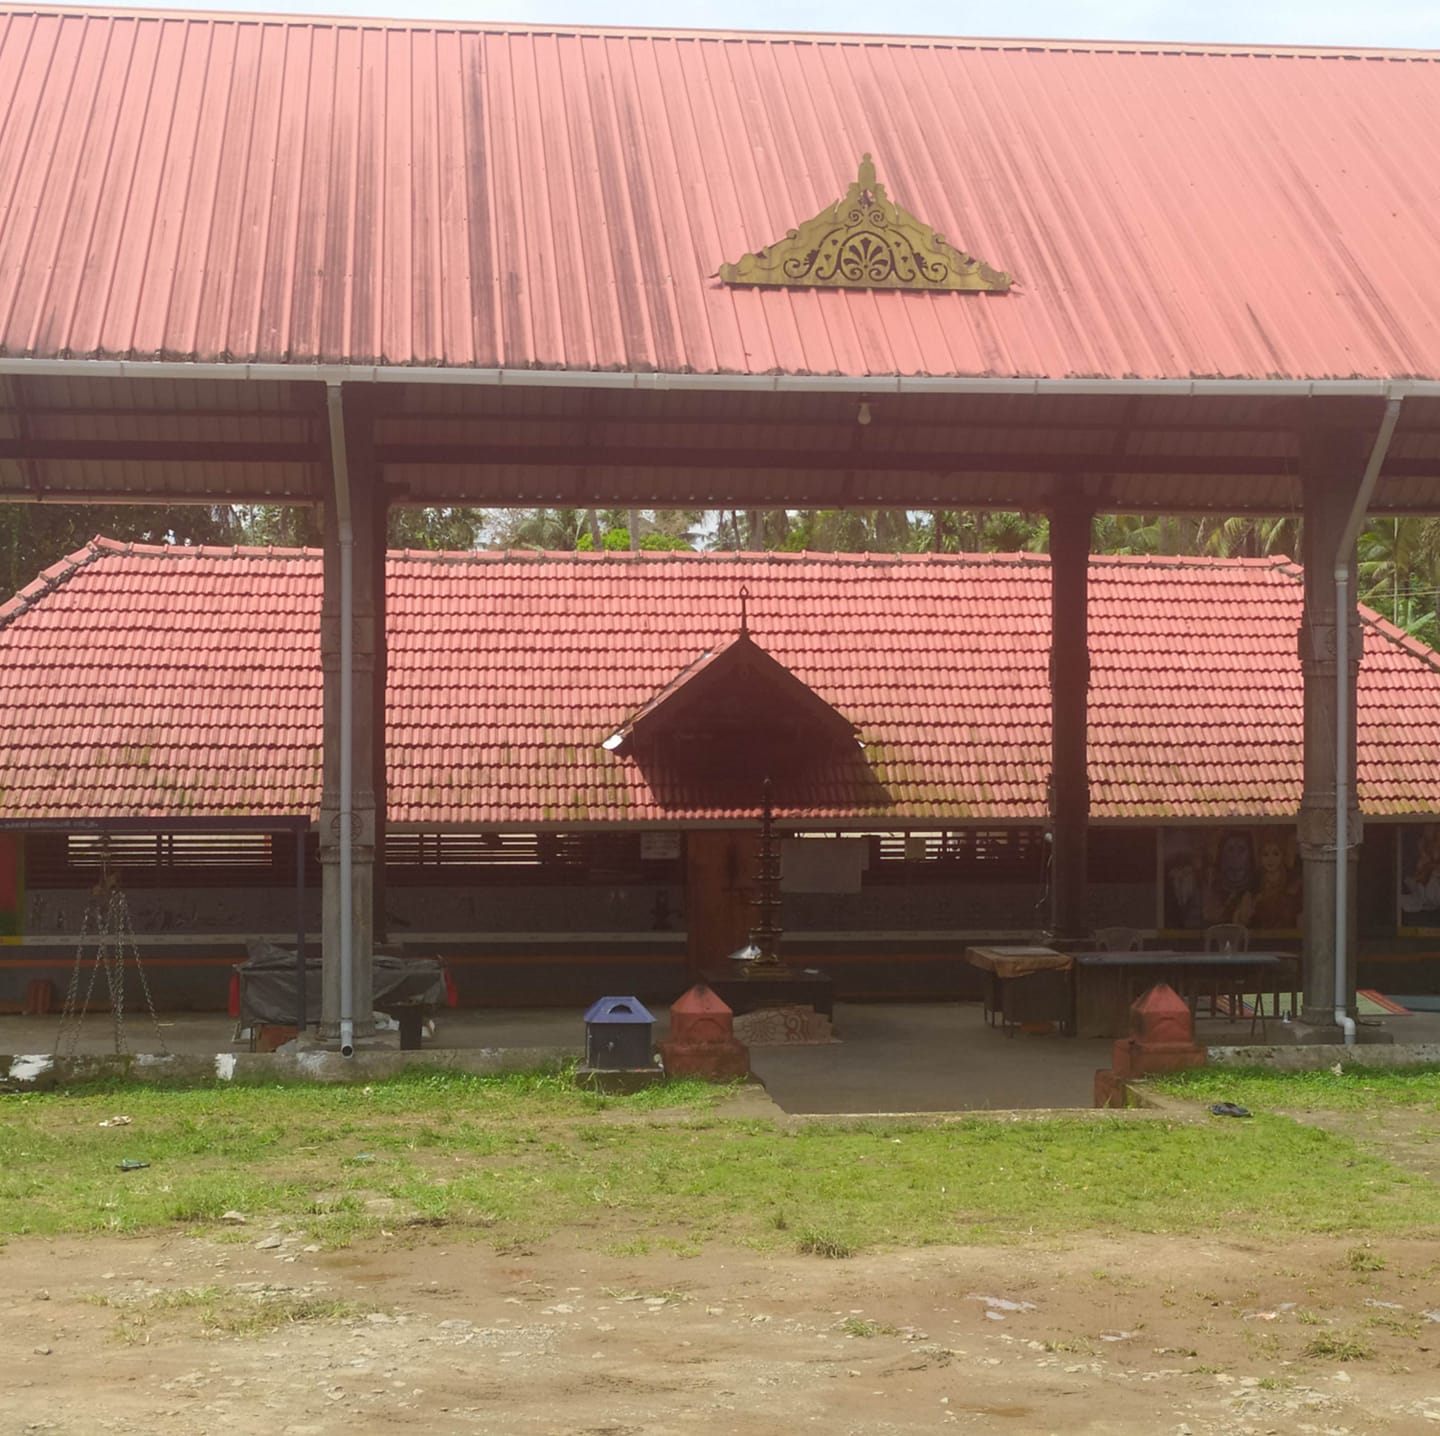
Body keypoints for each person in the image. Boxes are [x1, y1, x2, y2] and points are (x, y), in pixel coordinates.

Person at [1239, 832, 1302, 929]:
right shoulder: (1254, 882)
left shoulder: (1292, 881)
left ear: (1282, 855)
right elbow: (1244, 917)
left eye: (1275, 854)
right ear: (1260, 857)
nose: (1270, 859)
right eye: (1265, 854)